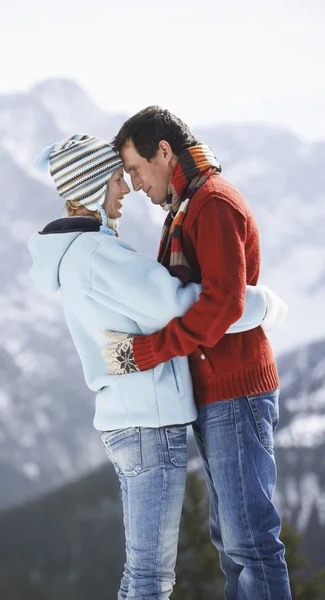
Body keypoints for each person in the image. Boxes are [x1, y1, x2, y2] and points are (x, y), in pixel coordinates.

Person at [28, 133, 286, 600]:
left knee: (145, 573)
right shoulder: (99, 256)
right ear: (89, 190)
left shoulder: (74, 256)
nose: (125, 188)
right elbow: (189, 305)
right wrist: (264, 305)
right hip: (147, 421)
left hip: (127, 420)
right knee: (150, 578)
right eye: (114, 180)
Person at [103, 107, 292, 599]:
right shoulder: (187, 207)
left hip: (236, 391)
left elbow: (223, 303)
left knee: (250, 542)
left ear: (163, 152)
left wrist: (149, 351)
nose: (138, 185)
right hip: (217, 394)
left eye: (138, 170)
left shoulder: (211, 203)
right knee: (232, 541)